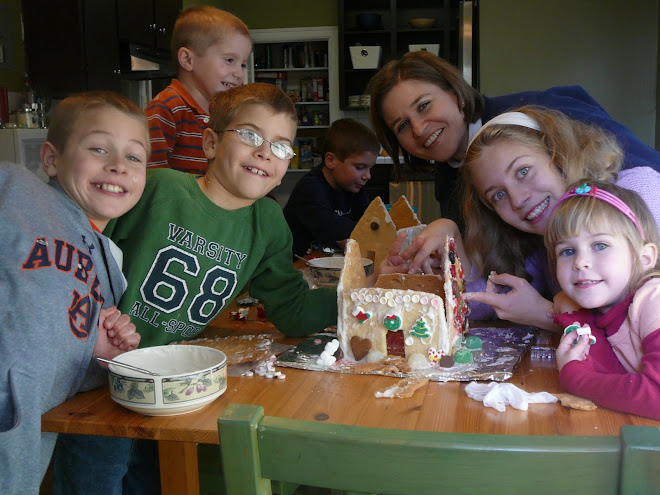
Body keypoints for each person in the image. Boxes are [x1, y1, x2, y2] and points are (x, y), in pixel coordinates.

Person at [53, 83, 339, 495]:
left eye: (281, 146)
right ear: (209, 142)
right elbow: (85, 249)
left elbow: (291, 307)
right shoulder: (161, 189)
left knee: (157, 481)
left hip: (169, 388)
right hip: (97, 379)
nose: (264, 152)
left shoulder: (269, 224)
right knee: (95, 480)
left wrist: (352, 301)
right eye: (250, 135)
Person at [386, 107, 660, 330]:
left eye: (523, 171)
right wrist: (451, 237)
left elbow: (635, 330)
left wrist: (546, 314)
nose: (517, 200)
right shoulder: (543, 247)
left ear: (558, 154)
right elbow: (485, 303)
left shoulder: (640, 192)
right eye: (498, 195)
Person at [0, 91, 146, 495]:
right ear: (51, 159)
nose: (118, 165)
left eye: (134, 158)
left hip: (19, 434)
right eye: (99, 148)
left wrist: (100, 353)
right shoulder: (16, 189)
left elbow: (67, 370)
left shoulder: (111, 264)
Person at [368, 50, 660, 229]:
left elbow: (646, 171)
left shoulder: (543, 115)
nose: (419, 129)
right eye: (402, 125)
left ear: (455, 94)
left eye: (424, 106)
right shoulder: (447, 179)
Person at [547, 180, 660, 420]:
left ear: (645, 257)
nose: (580, 262)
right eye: (567, 251)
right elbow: (613, 376)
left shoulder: (653, 298)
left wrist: (575, 378)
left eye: (600, 245)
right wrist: (574, 317)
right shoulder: (604, 310)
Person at [145, 5, 252, 174]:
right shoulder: (166, 108)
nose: (239, 74)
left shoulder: (222, 114)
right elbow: (152, 175)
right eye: (229, 60)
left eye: (243, 64)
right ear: (188, 59)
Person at [284, 118, 380, 257]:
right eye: (360, 167)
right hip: (295, 265)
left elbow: (367, 217)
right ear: (331, 160)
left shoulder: (353, 186)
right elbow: (334, 228)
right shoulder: (309, 189)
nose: (367, 176)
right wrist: (379, 229)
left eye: (370, 168)